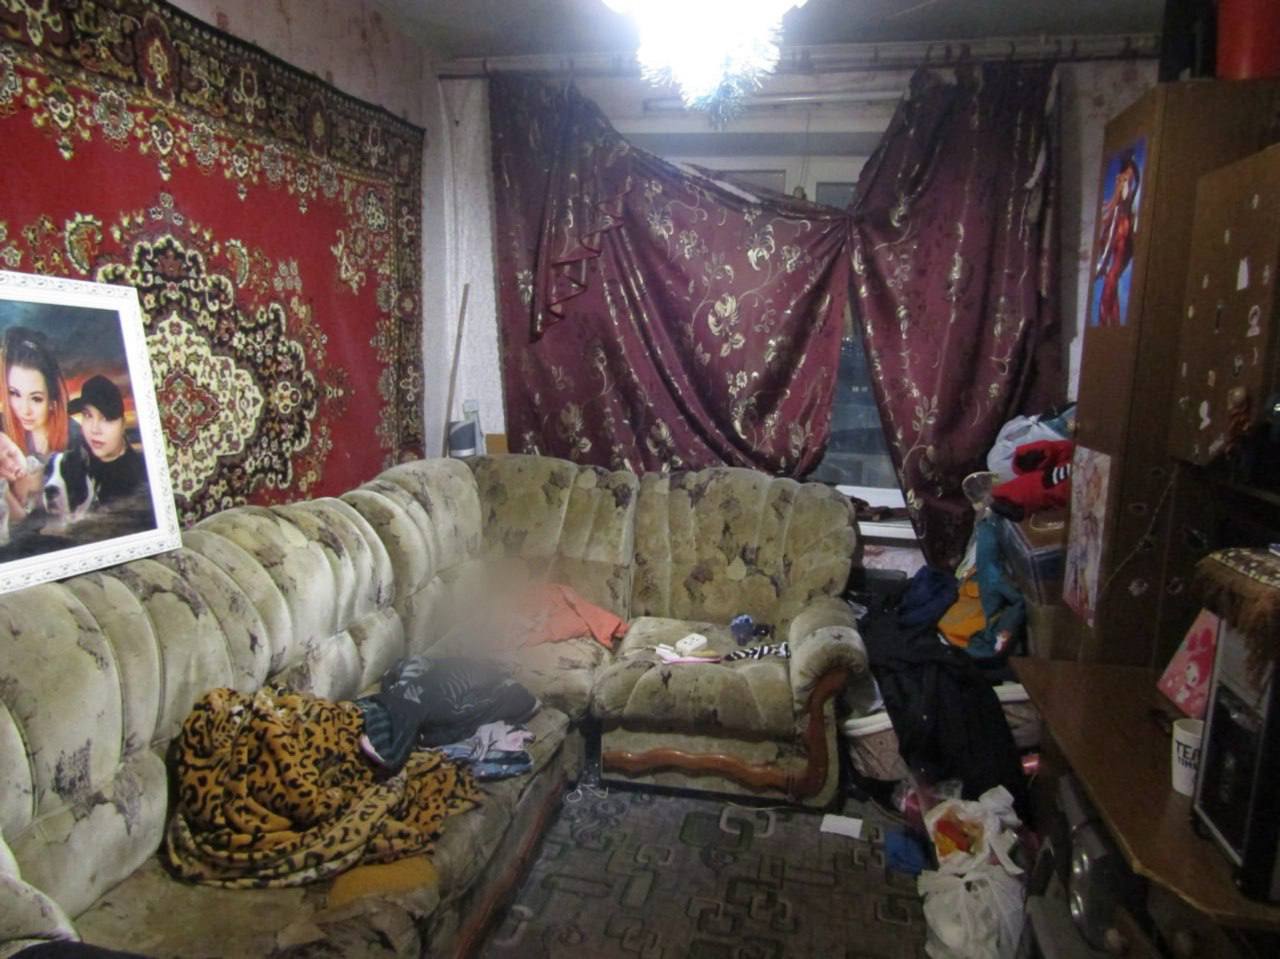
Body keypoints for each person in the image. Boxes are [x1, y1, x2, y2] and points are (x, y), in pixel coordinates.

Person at [0, 326, 80, 521]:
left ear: (53, 401)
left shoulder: (76, 440)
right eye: (14, 394)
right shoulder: (2, 429)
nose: (24, 410)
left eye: (36, 398)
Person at [68, 374, 147, 505]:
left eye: (106, 418)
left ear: (123, 424)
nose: (94, 429)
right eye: (87, 415)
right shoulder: (75, 465)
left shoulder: (140, 478)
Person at [1094, 151, 1140, 328]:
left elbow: (1118, 203)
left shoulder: (1128, 179)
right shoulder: (1125, 179)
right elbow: (1116, 202)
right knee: (1112, 274)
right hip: (1121, 226)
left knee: (1112, 274)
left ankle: (1107, 320)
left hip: (1121, 227)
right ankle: (1109, 320)